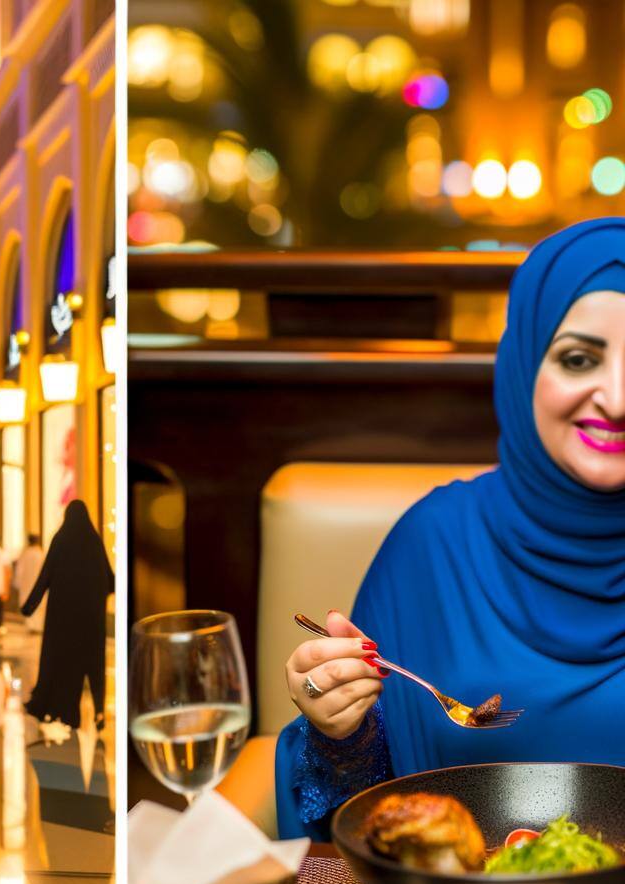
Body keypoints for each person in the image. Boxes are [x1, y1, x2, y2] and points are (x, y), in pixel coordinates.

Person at [229, 218, 625, 841]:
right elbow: (362, 816)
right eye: (578, 359)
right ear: (523, 365)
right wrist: (341, 731)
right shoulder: (433, 545)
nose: (618, 398)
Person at [23, 500, 113, 729]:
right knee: (94, 666)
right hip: (91, 622)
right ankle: (99, 711)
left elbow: (45, 577)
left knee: (62, 664)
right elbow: (111, 581)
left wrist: (28, 607)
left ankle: (64, 710)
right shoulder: (94, 542)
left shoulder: (61, 540)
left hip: (63, 623)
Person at [15, 534, 46, 633]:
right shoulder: (41, 554)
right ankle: (38, 626)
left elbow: (19, 571)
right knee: (39, 604)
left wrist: (18, 583)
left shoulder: (24, 554)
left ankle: (31, 625)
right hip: (38, 584)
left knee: (28, 601)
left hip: (26, 584)